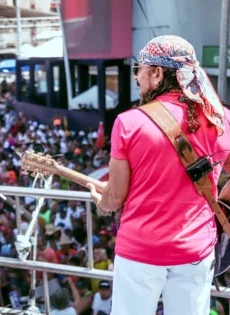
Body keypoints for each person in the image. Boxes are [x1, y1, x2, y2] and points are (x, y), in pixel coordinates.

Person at [86, 35, 230, 315]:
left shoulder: (129, 122)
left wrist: (100, 201)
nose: (136, 78)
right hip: (196, 248)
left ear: (156, 73)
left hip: (140, 250)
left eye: (138, 70)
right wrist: (223, 201)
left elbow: (115, 198)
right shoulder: (221, 118)